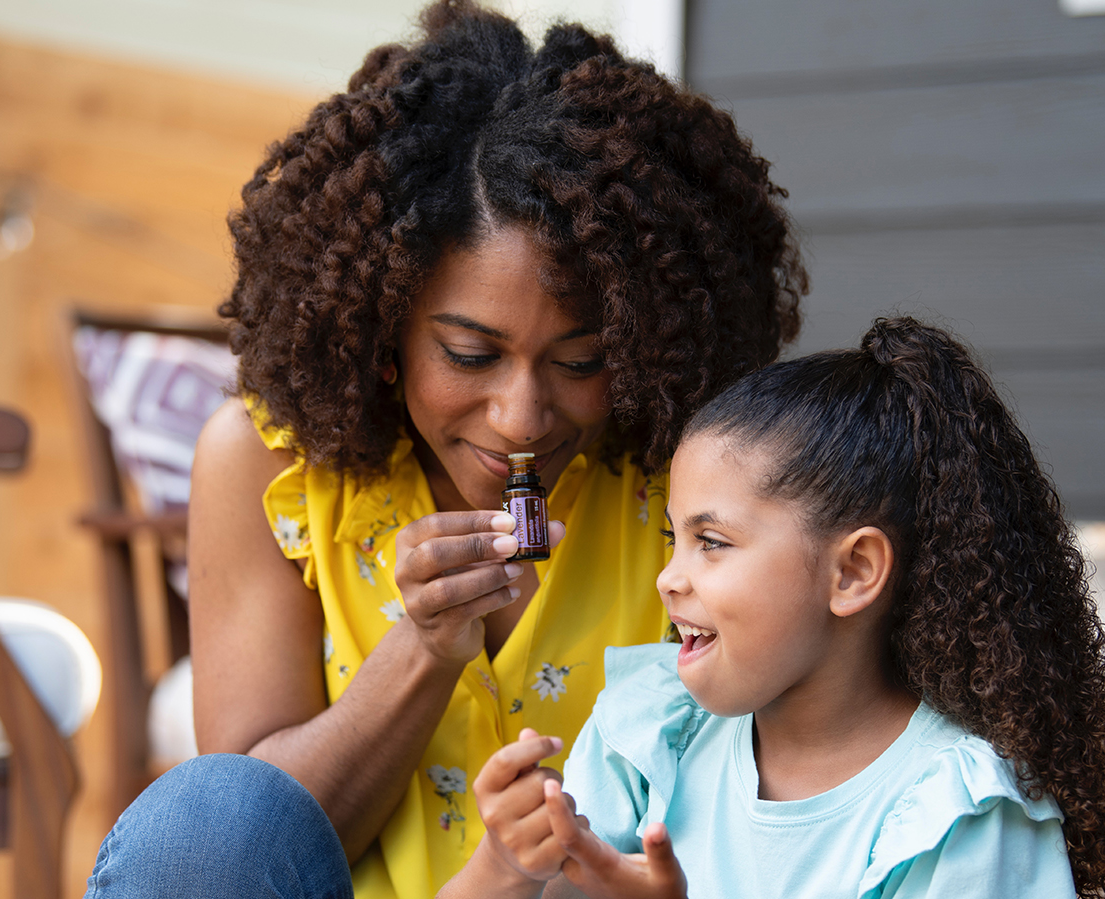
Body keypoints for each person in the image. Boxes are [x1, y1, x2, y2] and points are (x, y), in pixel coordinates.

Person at [83, 1, 804, 897]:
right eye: (470, 354)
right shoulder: (267, 468)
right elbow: (249, 851)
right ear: (382, 326)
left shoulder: (687, 472)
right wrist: (421, 648)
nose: (522, 416)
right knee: (206, 827)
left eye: (581, 361)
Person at [449, 317, 1105, 899]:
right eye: (673, 539)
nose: (668, 579)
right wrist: (507, 865)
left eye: (711, 542)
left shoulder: (957, 815)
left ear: (853, 571)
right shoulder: (649, 733)